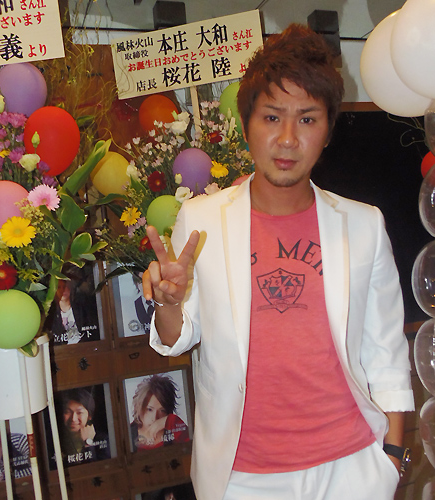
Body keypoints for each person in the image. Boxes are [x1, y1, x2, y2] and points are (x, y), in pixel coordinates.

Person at [142, 24, 415, 500]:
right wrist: (168, 302)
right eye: (272, 117)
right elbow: (177, 339)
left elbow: (386, 354)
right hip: (243, 477)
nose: (288, 139)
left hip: (352, 468)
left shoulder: (363, 225)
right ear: (247, 123)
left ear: (328, 131)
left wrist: (390, 457)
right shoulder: (202, 221)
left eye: (307, 119)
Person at [130, 374, 189, 451]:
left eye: (162, 411)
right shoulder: (128, 435)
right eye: (149, 409)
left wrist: (171, 420)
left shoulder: (174, 431)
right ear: (139, 407)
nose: (155, 418)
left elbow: (195, 446)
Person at [45, 264, 100, 345]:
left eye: (65, 286)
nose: (63, 290)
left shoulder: (83, 309)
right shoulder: (51, 315)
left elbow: (93, 333)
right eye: (59, 287)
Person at [58, 388, 110, 466]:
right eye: (67, 412)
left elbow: (99, 468)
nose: (73, 419)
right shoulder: (57, 440)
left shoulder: (102, 439)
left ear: (89, 416)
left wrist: (88, 442)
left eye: (79, 413)